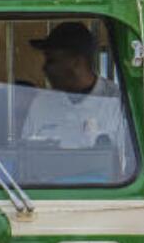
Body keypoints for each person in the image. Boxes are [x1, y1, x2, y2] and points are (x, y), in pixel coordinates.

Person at [19, 21, 131, 152]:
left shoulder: (117, 102)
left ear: (77, 62)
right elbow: (26, 157)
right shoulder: (41, 103)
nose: (45, 68)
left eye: (52, 60)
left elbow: (127, 161)